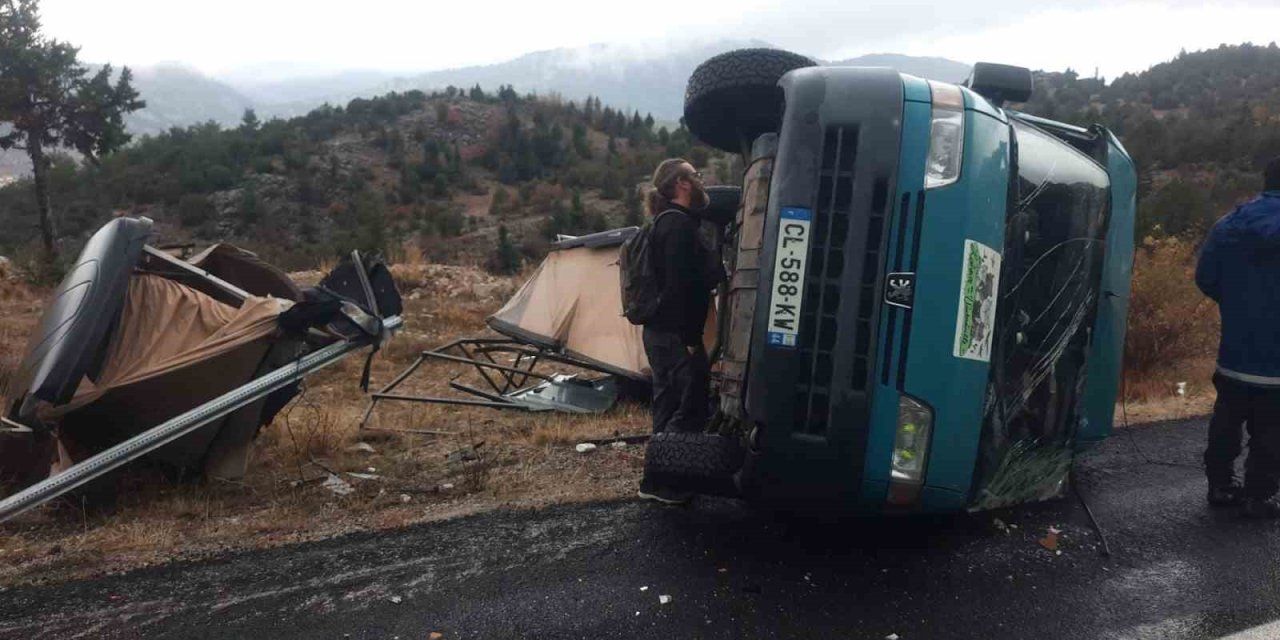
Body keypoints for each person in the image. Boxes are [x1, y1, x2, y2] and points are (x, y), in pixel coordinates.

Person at [1195, 156, 1280, 517]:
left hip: (1235, 353)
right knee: (1274, 430)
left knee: (1227, 420)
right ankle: (1260, 495)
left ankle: (1220, 486)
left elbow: (1206, 277)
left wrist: (1239, 304)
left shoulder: (1228, 223)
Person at [637, 158, 717, 505]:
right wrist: (688, 340)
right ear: (682, 184)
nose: (700, 180)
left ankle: (657, 481)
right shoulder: (677, 227)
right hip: (674, 334)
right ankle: (663, 479)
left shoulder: (672, 222)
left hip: (663, 332)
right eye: (695, 175)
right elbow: (677, 289)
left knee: (668, 404)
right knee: (690, 402)